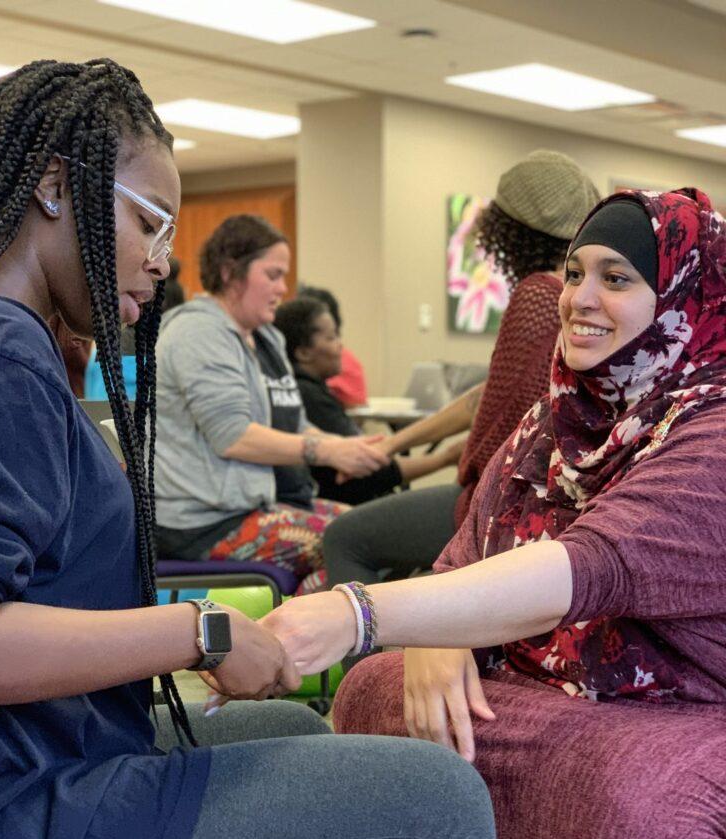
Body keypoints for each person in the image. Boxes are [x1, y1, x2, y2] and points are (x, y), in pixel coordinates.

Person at [0, 58, 496, 839]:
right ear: (50, 184)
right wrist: (198, 632)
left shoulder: (10, 341)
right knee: (440, 806)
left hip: (21, 771)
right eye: (148, 220)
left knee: (292, 727)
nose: (163, 257)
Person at [263, 187, 726, 763]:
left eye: (616, 279)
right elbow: (465, 547)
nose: (580, 298)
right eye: (575, 273)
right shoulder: (557, 415)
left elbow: (593, 564)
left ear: (685, 297)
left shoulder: (710, 429)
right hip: (528, 662)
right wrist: (441, 630)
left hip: (644, 695)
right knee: (372, 687)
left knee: (626, 780)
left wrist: (360, 613)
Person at [321, 150, 600, 587]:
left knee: (344, 539)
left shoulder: (537, 295)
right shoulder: (573, 295)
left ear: (505, 227)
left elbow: (507, 419)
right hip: (542, 504)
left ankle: (364, 656)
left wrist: (408, 450)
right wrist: (393, 444)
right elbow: (488, 397)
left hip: (495, 506)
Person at [153, 215, 389, 592]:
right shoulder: (198, 333)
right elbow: (233, 437)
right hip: (202, 524)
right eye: (273, 275)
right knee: (356, 544)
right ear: (231, 272)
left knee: (374, 528)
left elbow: (291, 423)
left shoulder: (265, 338)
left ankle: (302, 626)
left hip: (250, 509)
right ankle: (299, 636)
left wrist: (346, 447)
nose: (283, 288)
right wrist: (326, 451)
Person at [275, 296, 455, 505]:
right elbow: (372, 472)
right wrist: (446, 458)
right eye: (332, 337)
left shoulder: (309, 390)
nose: (341, 345)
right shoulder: (310, 397)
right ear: (304, 352)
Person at [298, 284, 368, 407]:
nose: (339, 345)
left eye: (332, 336)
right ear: (303, 352)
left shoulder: (345, 362)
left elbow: (356, 404)